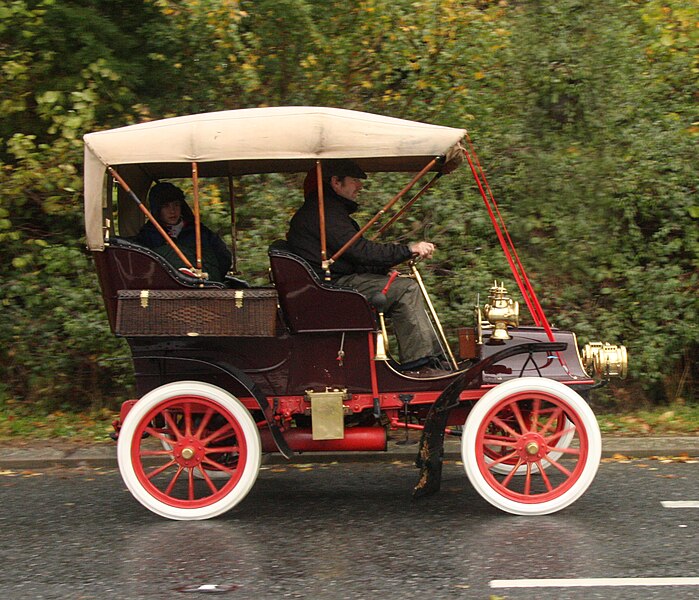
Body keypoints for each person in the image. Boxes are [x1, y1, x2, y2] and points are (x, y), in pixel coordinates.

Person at [286, 159, 447, 376]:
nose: (359, 186)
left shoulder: (325, 211)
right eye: (354, 180)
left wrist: (382, 271)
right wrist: (408, 249)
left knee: (402, 285)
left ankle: (432, 360)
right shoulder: (325, 213)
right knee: (406, 290)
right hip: (331, 289)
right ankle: (421, 365)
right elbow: (360, 251)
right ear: (336, 182)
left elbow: (351, 256)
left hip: (328, 285)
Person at [135, 182, 232, 282]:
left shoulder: (199, 231)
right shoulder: (147, 235)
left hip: (203, 283)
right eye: (166, 206)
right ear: (157, 210)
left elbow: (223, 258)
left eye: (176, 205)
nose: (172, 211)